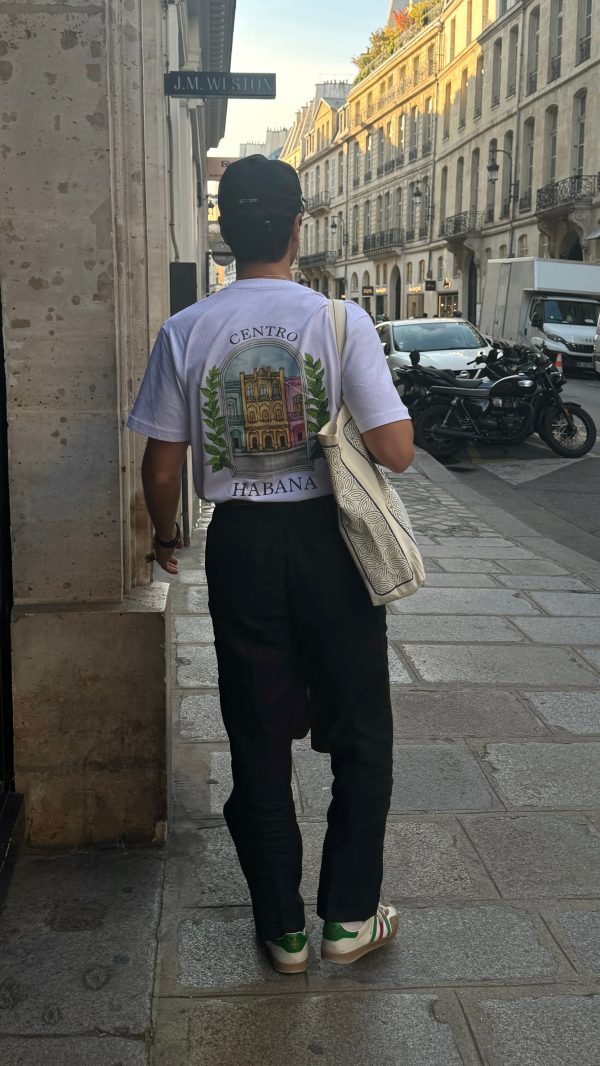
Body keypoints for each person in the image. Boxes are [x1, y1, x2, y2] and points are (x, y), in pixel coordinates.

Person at [128, 154, 414, 974]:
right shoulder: (340, 321)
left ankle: (283, 929)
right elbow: (395, 452)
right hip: (333, 540)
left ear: (225, 234)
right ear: (299, 227)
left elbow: (160, 468)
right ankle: (350, 919)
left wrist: (163, 537)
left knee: (256, 732)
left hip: (243, 544)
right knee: (361, 733)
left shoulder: (186, 329)